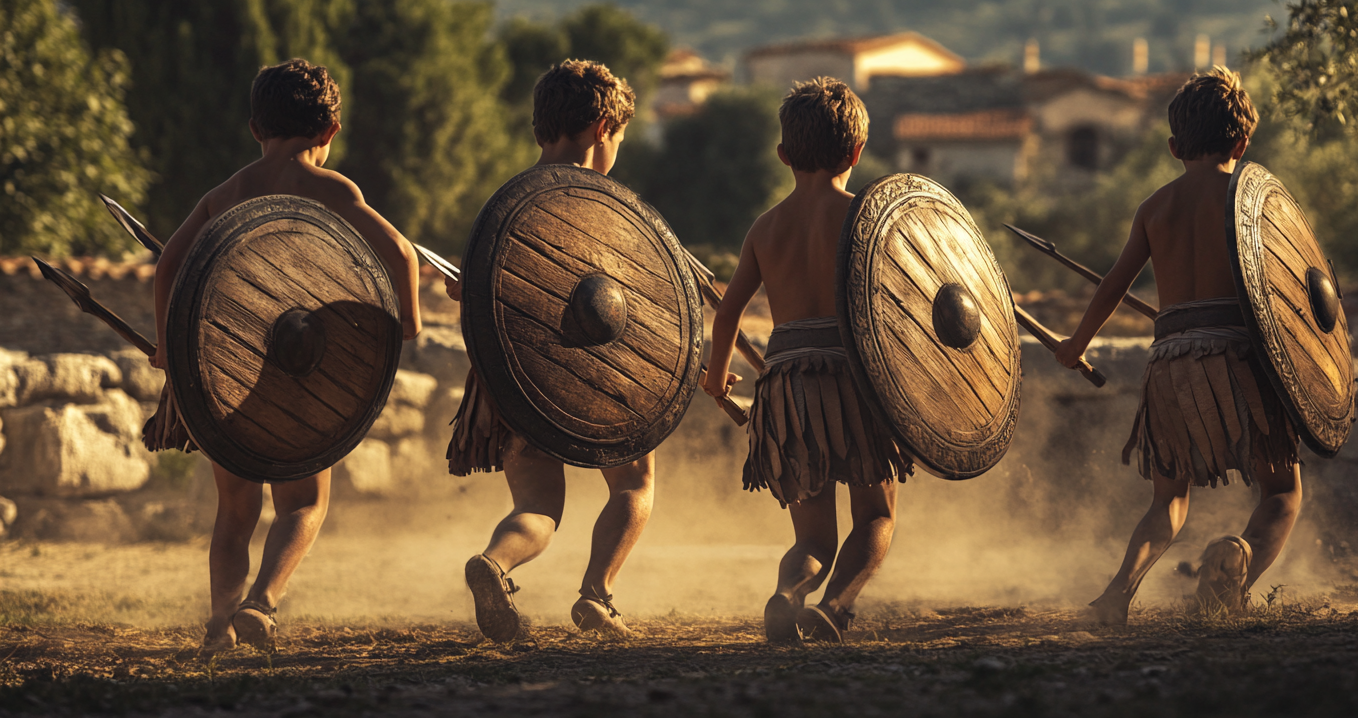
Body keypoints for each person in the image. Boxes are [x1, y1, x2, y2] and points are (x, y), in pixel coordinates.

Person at [147, 59, 423, 653]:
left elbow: (167, 267)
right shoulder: (332, 189)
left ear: (254, 128)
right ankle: (262, 602)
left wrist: (170, 351)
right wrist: (407, 325)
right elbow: (401, 253)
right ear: (330, 131)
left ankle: (219, 627)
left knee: (235, 509)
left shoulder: (229, 192)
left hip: (230, 375)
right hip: (301, 375)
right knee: (304, 501)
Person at [1053, 67, 1302, 625]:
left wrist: (1075, 344)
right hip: (1238, 359)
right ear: (1242, 142)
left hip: (1170, 364)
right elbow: (1286, 291)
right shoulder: (1249, 204)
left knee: (1169, 498)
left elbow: (1113, 285)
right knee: (1282, 490)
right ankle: (1238, 564)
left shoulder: (1154, 206)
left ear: (1172, 147)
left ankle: (1115, 597)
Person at [701, 77, 912, 644]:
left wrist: (718, 381)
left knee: (813, 538)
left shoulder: (765, 228)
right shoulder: (868, 218)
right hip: (853, 380)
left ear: (784, 155)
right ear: (856, 152)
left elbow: (726, 315)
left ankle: (788, 595)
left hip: (787, 385)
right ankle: (836, 607)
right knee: (875, 516)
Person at [448, 59, 651, 641]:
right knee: (635, 483)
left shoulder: (507, 204)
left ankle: (497, 563)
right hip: (596, 379)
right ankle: (597, 593)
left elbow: (484, 298)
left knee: (538, 506)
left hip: (518, 382)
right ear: (604, 126)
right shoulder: (606, 206)